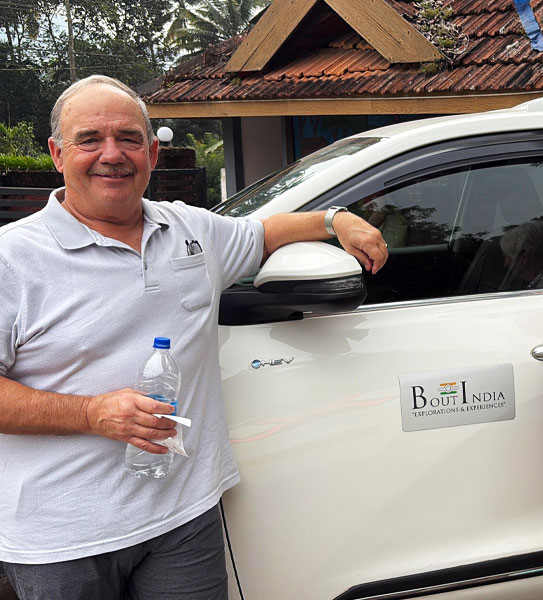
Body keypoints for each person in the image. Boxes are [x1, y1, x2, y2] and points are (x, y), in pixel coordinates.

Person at [0, 75, 388, 599]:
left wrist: (336, 220)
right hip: (63, 538)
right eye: (89, 139)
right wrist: (91, 413)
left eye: (129, 138)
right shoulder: (12, 258)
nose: (111, 154)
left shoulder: (190, 230)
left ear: (152, 153)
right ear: (57, 154)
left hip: (185, 517)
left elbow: (266, 233)